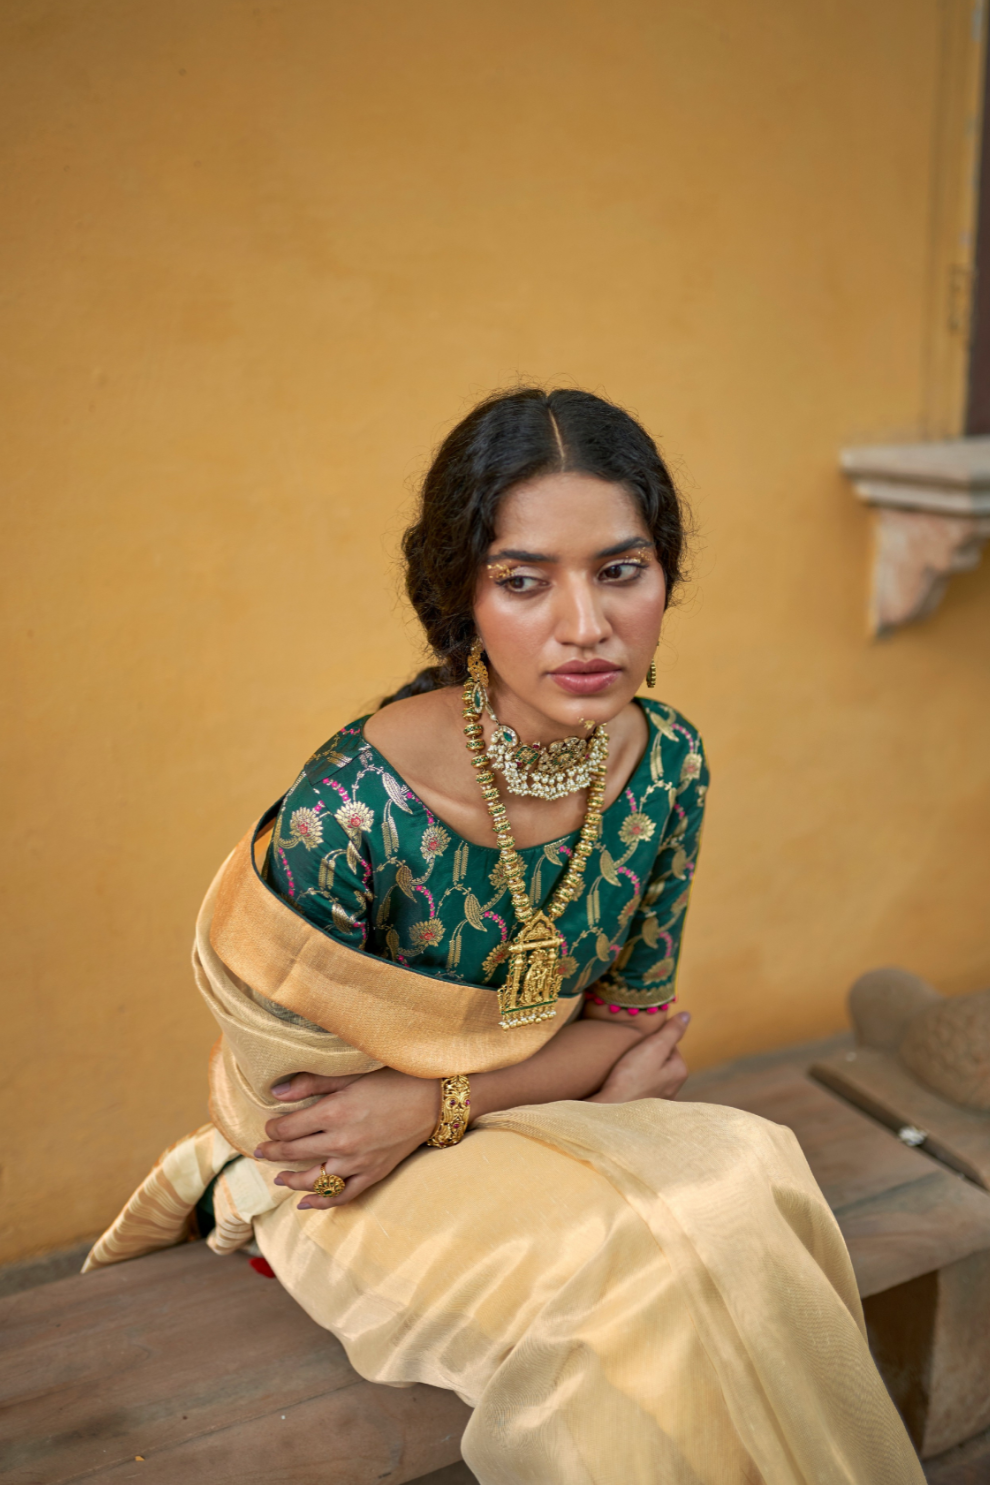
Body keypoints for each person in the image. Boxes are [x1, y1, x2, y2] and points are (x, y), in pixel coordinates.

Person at [87, 388, 923, 1484]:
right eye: (524, 581)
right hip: (346, 1186)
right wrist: (576, 1099)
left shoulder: (666, 764)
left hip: (493, 1125)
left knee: (748, 1169)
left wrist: (450, 1099)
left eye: (620, 570)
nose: (586, 624)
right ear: (461, 600)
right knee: (643, 1264)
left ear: (666, 575)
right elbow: (320, 1130)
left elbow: (633, 1026)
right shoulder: (347, 815)